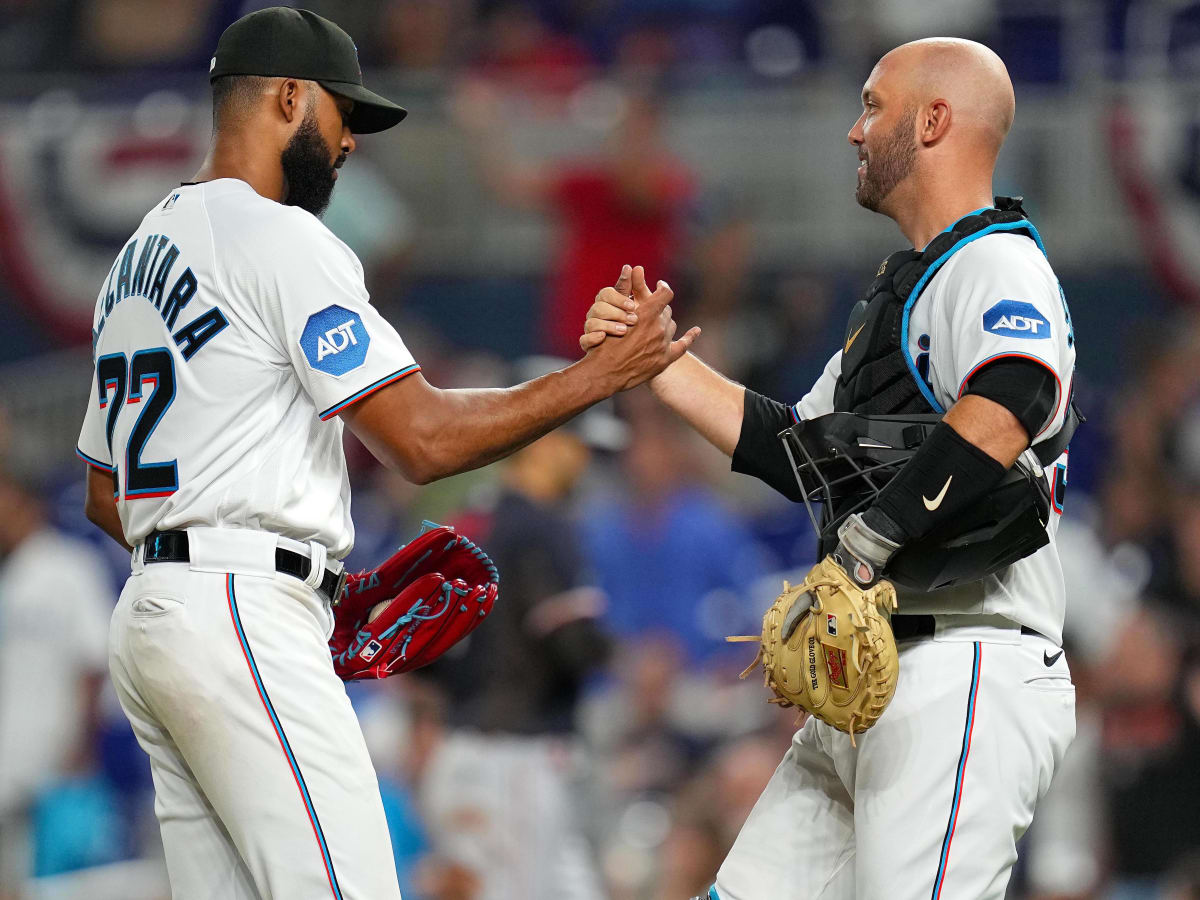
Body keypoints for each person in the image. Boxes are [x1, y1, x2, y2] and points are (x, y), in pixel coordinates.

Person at [75, 8, 697, 899]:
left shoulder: (136, 257)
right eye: (341, 114)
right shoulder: (281, 237)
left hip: (155, 613)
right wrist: (598, 379)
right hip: (238, 612)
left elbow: (106, 496)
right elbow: (423, 439)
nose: (349, 143)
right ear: (289, 98)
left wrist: (226, 561)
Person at [583, 37, 1078, 899]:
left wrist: (869, 545)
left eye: (873, 104)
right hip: (875, 675)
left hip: (967, 665)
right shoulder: (902, 293)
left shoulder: (999, 261)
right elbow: (798, 453)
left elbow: (1012, 401)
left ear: (933, 120)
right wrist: (656, 363)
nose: (855, 130)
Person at [0, 469, 113, 892]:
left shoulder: (68, 565)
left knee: (67, 882)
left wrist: (79, 745)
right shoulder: (10, 574)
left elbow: (92, 658)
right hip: (11, 752)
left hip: (56, 754)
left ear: (29, 505)